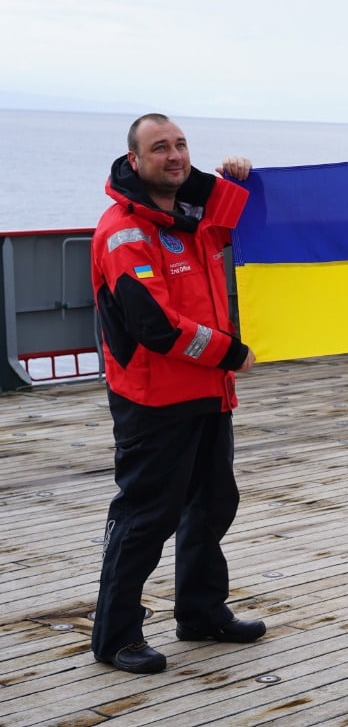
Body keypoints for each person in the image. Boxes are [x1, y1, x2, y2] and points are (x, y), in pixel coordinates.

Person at [90, 113, 265, 674]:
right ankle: (116, 636)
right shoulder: (124, 231)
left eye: (181, 145)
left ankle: (202, 613)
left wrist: (237, 176)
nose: (175, 156)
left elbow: (263, 219)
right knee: (145, 517)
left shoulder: (197, 214)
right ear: (134, 161)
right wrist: (230, 352)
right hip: (153, 400)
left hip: (209, 393)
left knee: (213, 506)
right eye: (160, 147)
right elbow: (155, 326)